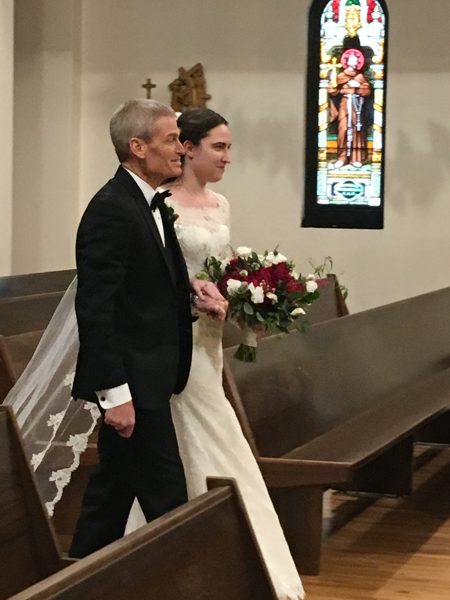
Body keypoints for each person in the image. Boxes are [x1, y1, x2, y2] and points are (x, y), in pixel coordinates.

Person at [126, 107, 305, 600]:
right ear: (188, 148)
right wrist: (192, 298)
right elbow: (153, 278)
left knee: (214, 427)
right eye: (218, 147)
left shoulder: (220, 204)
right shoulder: (159, 203)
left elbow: (220, 270)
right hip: (173, 343)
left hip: (209, 340)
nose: (227, 157)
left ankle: (236, 558)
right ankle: (182, 554)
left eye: (229, 147)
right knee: (192, 434)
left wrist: (245, 300)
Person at [68, 99, 227, 558]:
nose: (180, 148)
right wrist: (114, 394)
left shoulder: (151, 202)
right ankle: (185, 583)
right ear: (138, 147)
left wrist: (192, 292)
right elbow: (95, 309)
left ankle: (74, 578)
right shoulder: (111, 209)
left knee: (111, 496)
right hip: (133, 384)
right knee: (168, 500)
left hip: (153, 376)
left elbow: (146, 287)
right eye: (171, 139)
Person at [328, 47, 372, 169]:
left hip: (357, 107)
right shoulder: (341, 76)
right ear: (347, 61)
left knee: (357, 130)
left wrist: (358, 86)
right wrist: (333, 85)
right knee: (343, 129)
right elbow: (333, 91)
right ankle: (342, 158)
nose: (354, 62)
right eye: (352, 60)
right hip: (345, 106)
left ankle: (356, 158)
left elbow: (367, 91)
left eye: (356, 60)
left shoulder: (360, 77)